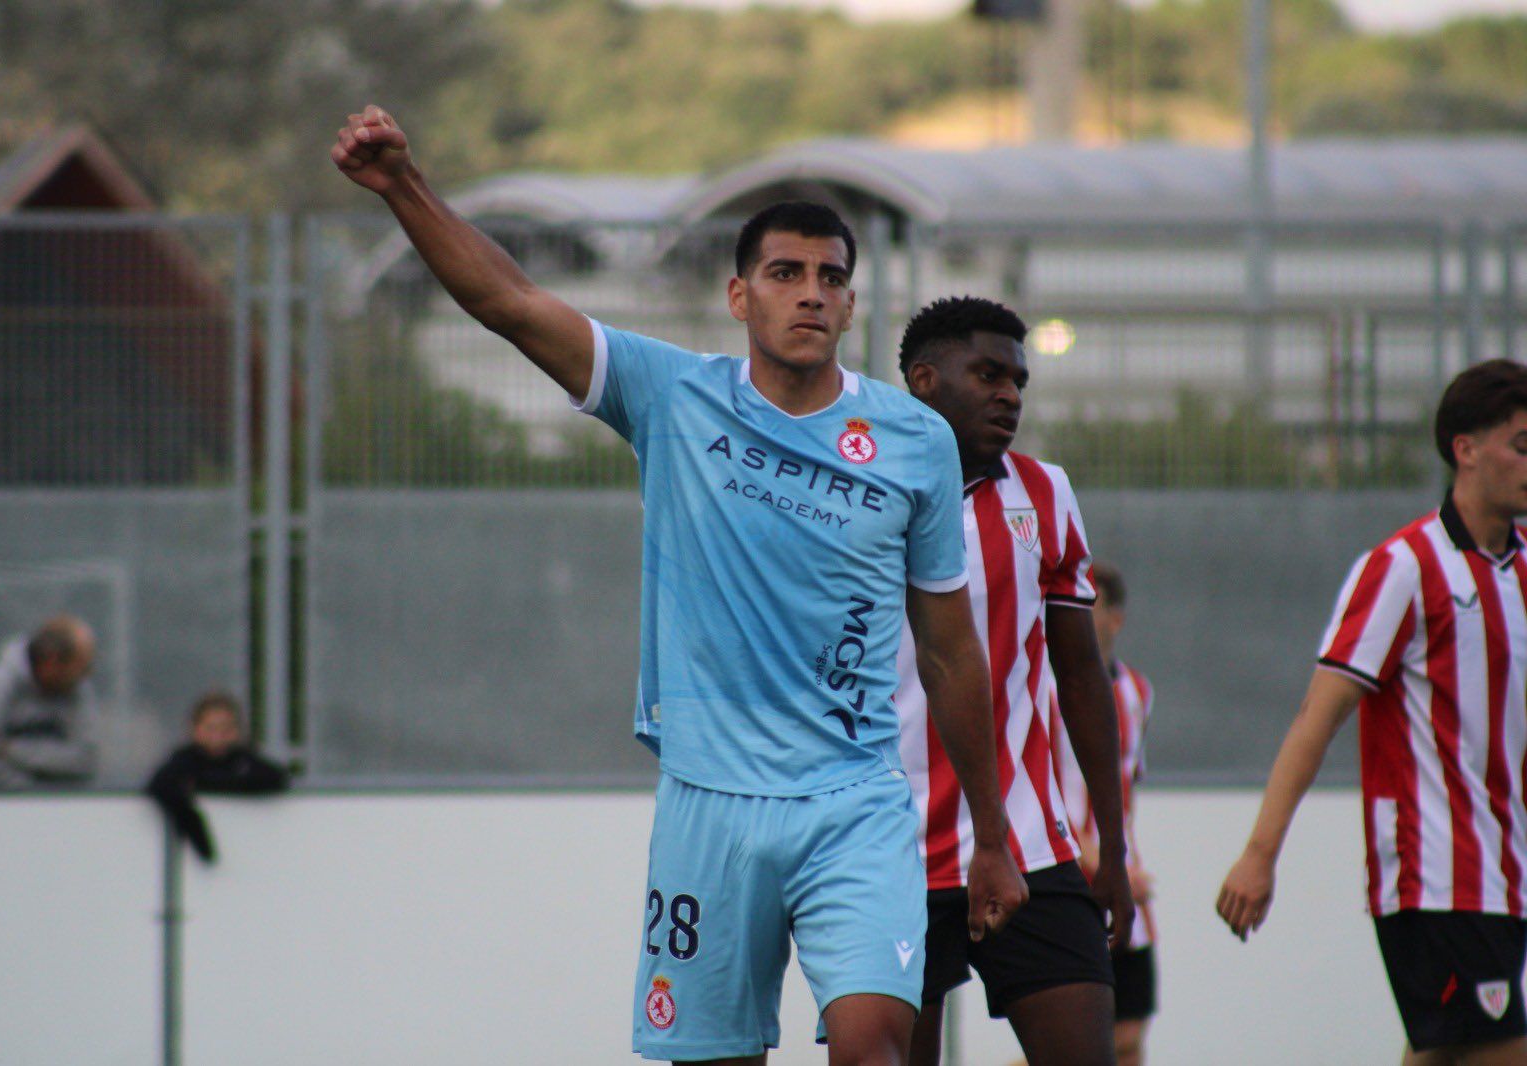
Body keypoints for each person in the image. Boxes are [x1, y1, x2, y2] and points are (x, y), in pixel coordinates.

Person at [332, 106, 1027, 1065]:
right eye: (786, 273)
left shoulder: (915, 443)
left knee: (875, 1047)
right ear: (740, 296)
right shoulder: (672, 396)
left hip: (855, 802)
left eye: (832, 278)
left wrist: (991, 833)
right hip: (709, 802)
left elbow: (951, 649)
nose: (811, 294)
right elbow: (513, 304)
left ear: (853, 307)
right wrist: (404, 187)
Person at [1217, 359, 1527, 1065]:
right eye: (1522, 444)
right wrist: (1259, 856)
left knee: (1445, 1053)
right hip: (1436, 874)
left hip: (1505, 875)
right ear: (1466, 449)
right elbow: (1316, 718)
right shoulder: (1405, 566)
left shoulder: (1521, 569)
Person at [893, 296, 1133, 1066]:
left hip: (1030, 843)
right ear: (924, 380)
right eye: (988, 374)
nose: (1010, 395)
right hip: (885, 847)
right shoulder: (855, 489)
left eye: (1019, 381)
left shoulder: (1047, 492)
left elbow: (1080, 674)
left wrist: (1114, 847)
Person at [1049, 562, 1157, 1066]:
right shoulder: (1048, 690)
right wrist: (1096, 859)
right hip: (1075, 877)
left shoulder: (1138, 691)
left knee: (1131, 1040)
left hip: (1124, 879)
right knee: (1079, 1044)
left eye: (1089, 604)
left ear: (1115, 618)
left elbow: (1126, 786)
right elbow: (1043, 788)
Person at [0, 615, 98, 789]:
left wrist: (12, 750)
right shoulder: (1, 684)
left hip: (58, 805)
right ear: (51, 662)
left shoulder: (77, 687)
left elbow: (85, 759)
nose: (87, 676)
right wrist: (27, 791)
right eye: (83, 668)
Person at [146, 691, 290, 863]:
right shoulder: (185, 760)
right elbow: (160, 786)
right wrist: (200, 837)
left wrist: (206, 784)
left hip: (254, 855)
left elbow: (275, 779)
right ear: (195, 729)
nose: (218, 736)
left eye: (226, 728)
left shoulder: (242, 759)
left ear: (237, 731)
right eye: (211, 728)